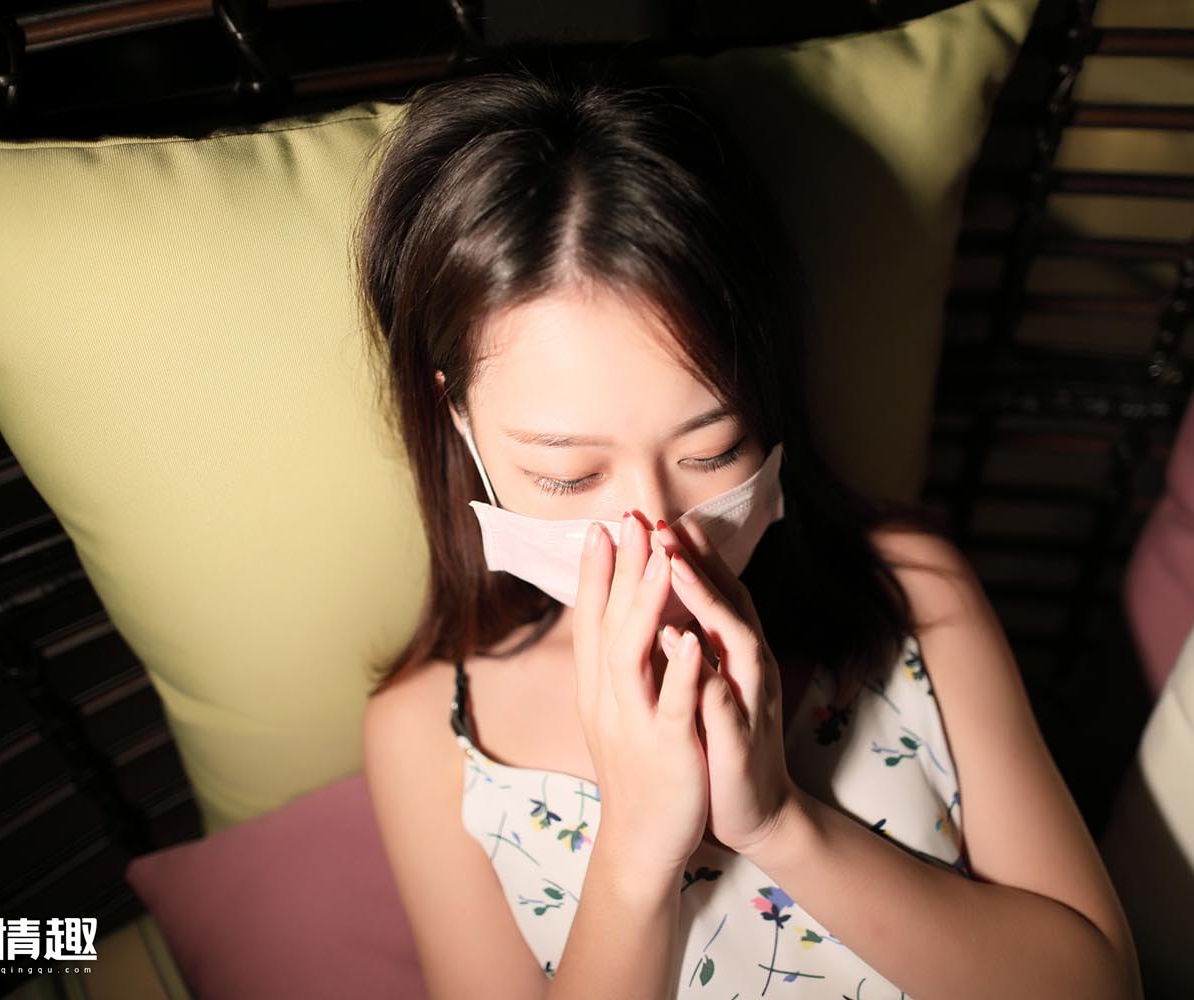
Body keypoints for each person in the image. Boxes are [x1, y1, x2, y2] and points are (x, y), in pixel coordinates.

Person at [354, 57, 1142, 1000]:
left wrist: (780, 823)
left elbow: (1099, 985)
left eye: (712, 451)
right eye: (569, 474)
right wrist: (634, 849)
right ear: (457, 418)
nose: (656, 534)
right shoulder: (432, 733)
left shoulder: (912, 593)